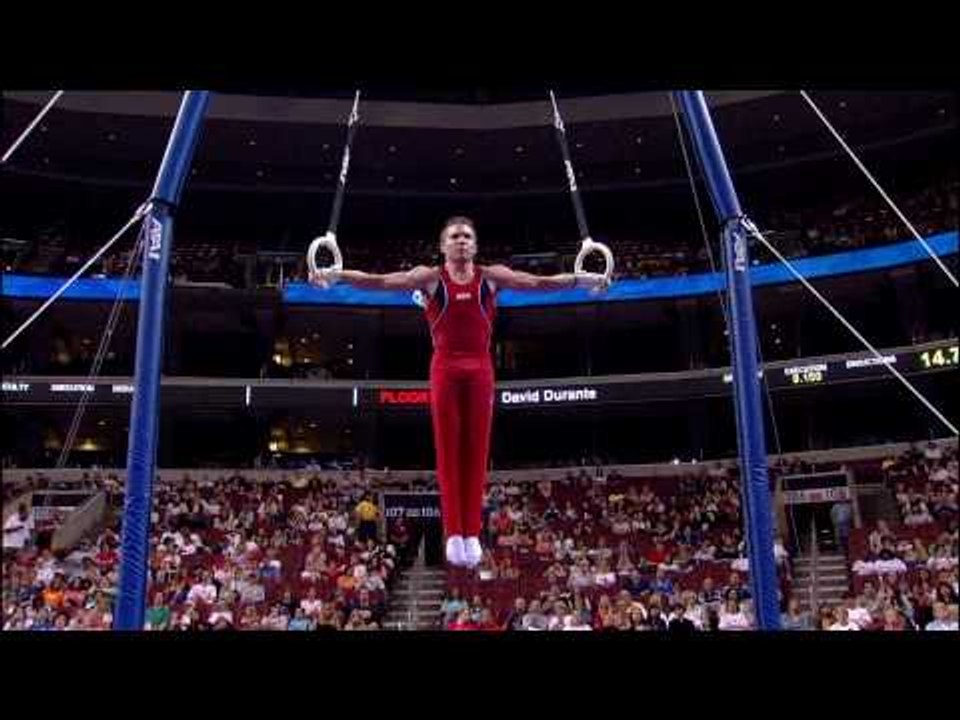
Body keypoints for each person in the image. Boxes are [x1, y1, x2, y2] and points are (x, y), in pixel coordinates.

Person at [310, 216, 609, 568]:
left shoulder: (492, 277)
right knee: (449, 447)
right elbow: (382, 282)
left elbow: (538, 283)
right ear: (443, 246)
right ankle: (454, 532)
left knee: (477, 449)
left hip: (481, 369)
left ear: (476, 245)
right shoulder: (431, 278)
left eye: (468, 236)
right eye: (455, 236)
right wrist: (337, 275)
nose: (462, 241)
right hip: (445, 369)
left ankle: (472, 532)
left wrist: (581, 279)